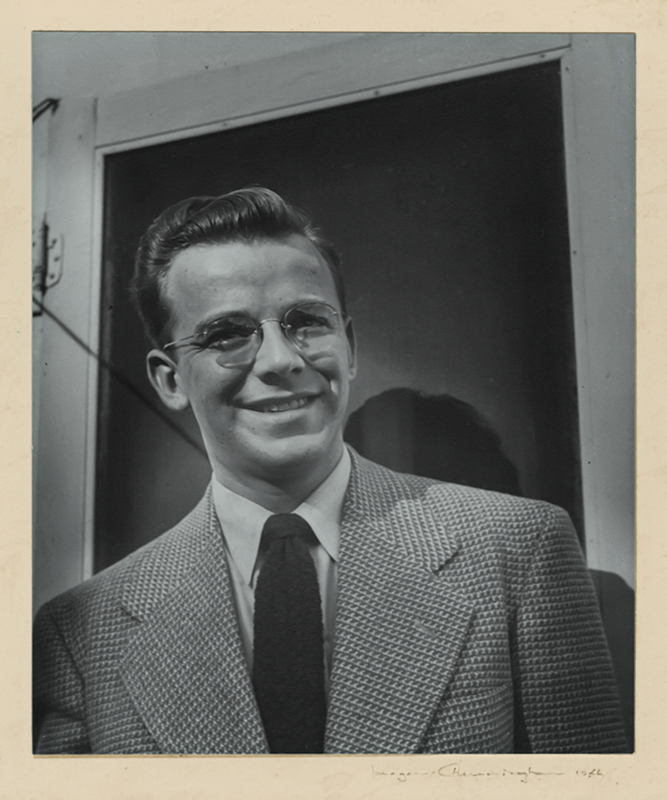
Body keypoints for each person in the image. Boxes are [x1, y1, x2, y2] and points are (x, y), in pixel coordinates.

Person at [33, 187, 628, 755]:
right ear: (169, 379)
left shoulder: (517, 549)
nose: (280, 360)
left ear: (349, 347)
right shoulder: (82, 631)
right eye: (227, 334)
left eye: (306, 322)